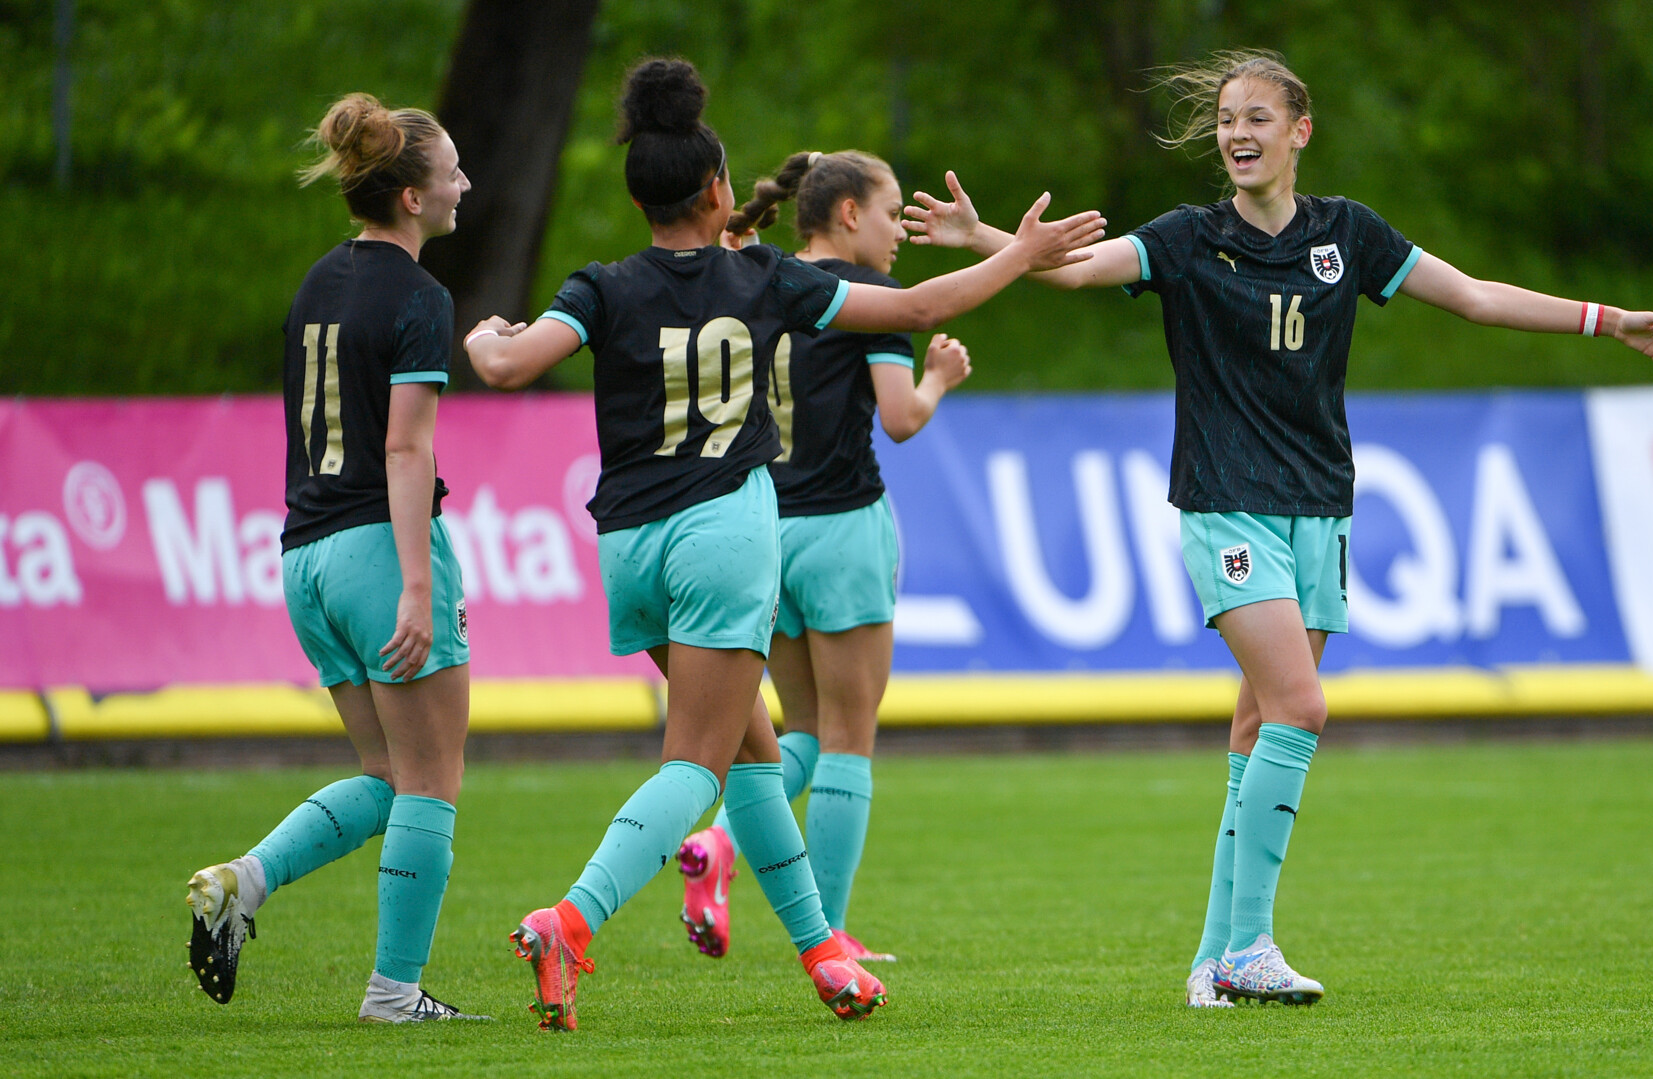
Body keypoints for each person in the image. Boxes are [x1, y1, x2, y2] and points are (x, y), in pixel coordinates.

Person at [904, 48, 1653, 1008]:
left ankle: (1213, 958)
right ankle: (1253, 945)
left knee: (1258, 722)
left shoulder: (1347, 236)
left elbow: (1477, 296)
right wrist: (985, 235)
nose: (1236, 134)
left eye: (1256, 119)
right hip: (1225, 500)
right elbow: (1071, 273)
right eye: (1227, 120)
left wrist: (1606, 320)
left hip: (1320, 504)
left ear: (1299, 131)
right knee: (1303, 707)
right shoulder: (1189, 239)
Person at [464, 57, 1102, 1030]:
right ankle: (572, 919)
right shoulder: (768, 278)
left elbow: (507, 363)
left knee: (759, 750)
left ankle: (824, 954)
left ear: (641, 193)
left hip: (631, 539)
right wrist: (1017, 253)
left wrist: (484, 335)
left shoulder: (602, 287)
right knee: (697, 765)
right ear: (719, 191)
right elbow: (918, 307)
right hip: (723, 533)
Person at [185, 93, 484, 1023]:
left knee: (387, 776)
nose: (465, 184)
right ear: (410, 198)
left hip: (304, 555)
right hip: (375, 552)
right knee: (431, 780)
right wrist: (419, 585)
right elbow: (404, 449)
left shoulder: (317, 281)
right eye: (452, 172)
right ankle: (394, 993)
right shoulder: (422, 297)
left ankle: (248, 878)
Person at [672, 149, 971, 966]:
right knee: (849, 734)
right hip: (843, 526)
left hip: (768, 532)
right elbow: (901, 417)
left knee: (798, 729)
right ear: (847, 215)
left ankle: (723, 839)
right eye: (887, 214)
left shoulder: (755, 281)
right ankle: (830, 930)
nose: (897, 233)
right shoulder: (866, 297)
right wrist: (939, 375)